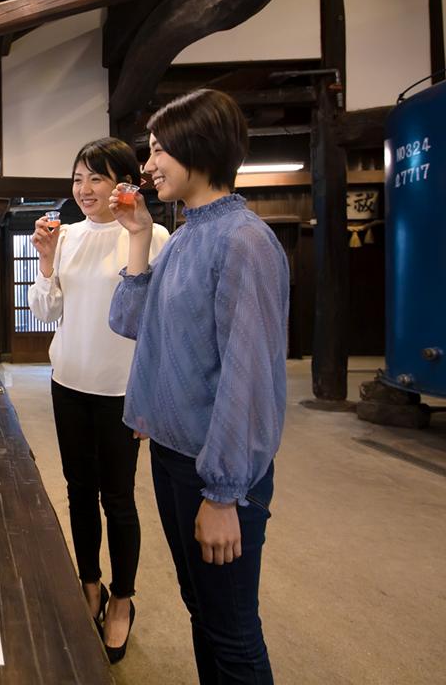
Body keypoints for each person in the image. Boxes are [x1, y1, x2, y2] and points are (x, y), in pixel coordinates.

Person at [108, 89, 288, 684]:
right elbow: (132, 323)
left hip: (215, 470)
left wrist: (223, 494)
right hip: (172, 454)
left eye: (159, 149)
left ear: (200, 148)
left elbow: (250, 377)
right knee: (204, 613)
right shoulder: (184, 235)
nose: (148, 163)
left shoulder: (244, 241)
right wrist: (137, 235)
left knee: (232, 634)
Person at [27, 137, 169, 662]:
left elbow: (158, 324)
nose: (84, 190)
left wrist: (151, 396)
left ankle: (123, 600)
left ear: (124, 182)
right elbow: (46, 312)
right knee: (78, 492)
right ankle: (90, 585)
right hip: (68, 383)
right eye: (78, 179)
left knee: (119, 499)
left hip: (121, 390)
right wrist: (45, 260)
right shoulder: (66, 237)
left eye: (97, 178)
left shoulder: (152, 236)